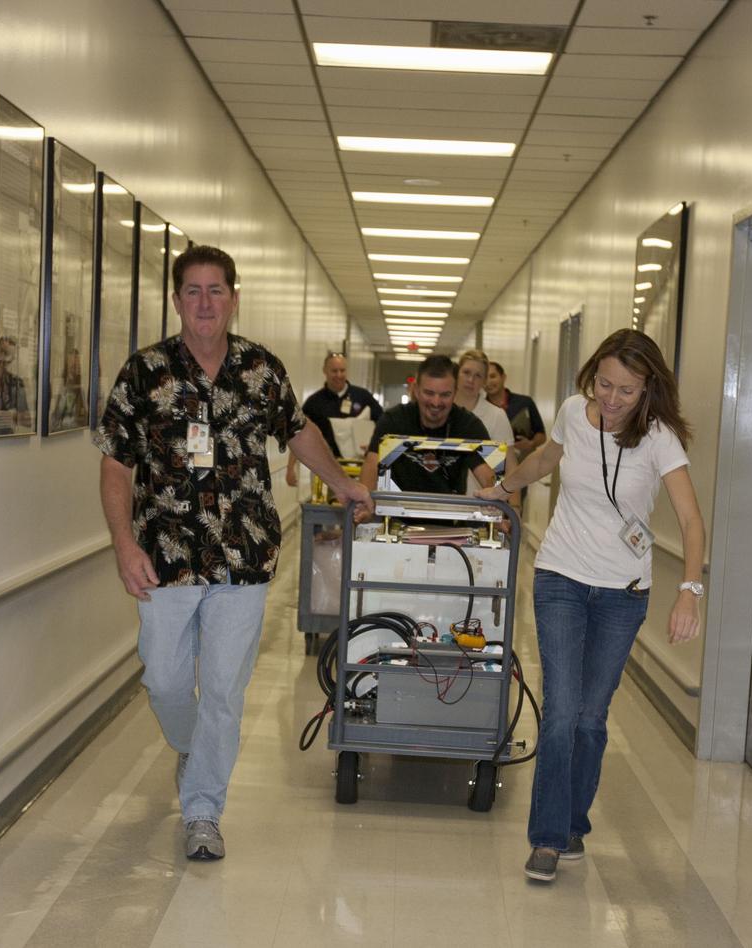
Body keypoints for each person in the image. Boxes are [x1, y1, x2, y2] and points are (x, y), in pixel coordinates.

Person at [95, 245, 372, 862]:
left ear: (234, 298)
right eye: (192, 291)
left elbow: (299, 432)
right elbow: (116, 461)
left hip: (243, 558)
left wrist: (349, 483)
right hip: (164, 560)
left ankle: (202, 811)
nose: (204, 303)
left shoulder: (260, 369)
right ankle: (196, 751)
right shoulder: (145, 373)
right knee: (164, 678)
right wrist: (122, 542)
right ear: (176, 301)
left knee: (223, 689)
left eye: (215, 290)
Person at [476, 329, 705, 883]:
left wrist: (689, 591)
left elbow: (691, 520)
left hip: (623, 593)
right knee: (560, 712)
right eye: (604, 383)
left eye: (626, 389)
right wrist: (503, 486)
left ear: (648, 387)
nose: (611, 398)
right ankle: (548, 839)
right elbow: (543, 464)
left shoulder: (660, 439)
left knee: (590, 719)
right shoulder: (574, 414)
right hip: (561, 576)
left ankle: (574, 819)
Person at [359, 354, 495, 497]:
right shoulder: (394, 420)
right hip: (397, 515)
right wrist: (366, 504)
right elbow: (372, 466)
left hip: (451, 514)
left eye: (445, 395)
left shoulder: (468, 425)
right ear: (416, 390)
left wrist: (495, 497)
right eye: (429, 393)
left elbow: (488, 475)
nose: (436, 402)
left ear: (455, 393)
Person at [286, 353, 383, 487]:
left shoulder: (363, 397)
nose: (338, 375)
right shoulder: (314, 403)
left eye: (342, 370)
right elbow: (298, 434)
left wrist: (373, 445)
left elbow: (383, 425)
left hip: (359, 468)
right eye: (334, 371)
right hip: (325, 470)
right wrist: (290, 468)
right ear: (325, 371)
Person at [455, 349, 517, 502]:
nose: (471, 380)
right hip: (440, 504)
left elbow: (510, 467)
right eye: (466, 372)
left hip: (481, 507)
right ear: (457, 374)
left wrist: (515, 508)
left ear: (484, 382)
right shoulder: (440, 411)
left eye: (478, 376)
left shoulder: (496, 415)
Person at [486, 361, 546, 460]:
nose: (488, 382)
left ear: (503, 377)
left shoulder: (525, 402)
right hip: (493, 464)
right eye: (484, 378)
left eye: (492, 376)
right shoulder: (480, 408)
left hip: (523, 463)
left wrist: (531, 443)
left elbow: (541, 435)